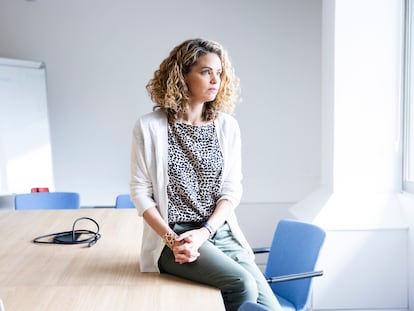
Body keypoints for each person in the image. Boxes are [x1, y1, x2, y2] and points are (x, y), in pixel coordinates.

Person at [130, 38, 282, 311]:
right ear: (182, 76)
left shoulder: (227, 127)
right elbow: (140, 193)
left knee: (271, 308)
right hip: (174, 238)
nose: (216, 79)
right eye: (205, 71)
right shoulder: (149, 127)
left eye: (219, 72)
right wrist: (172, 240)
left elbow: (231, 190)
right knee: (242, 284)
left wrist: (205, 231)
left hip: (217, 230)